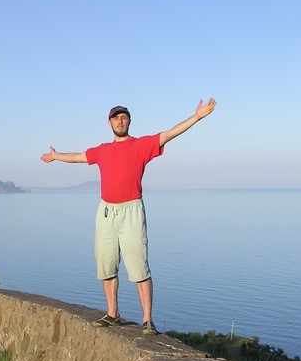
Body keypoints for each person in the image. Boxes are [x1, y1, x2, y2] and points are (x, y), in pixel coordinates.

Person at [41, 99, 217, 335]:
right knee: (107, 265)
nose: (120, 121)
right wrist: (56, 156)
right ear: (110, 122)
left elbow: (170, 134)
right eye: (116, 118)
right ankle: (112, 314)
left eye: (124, 117)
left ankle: (147, 320)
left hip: (132, 210)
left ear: (129, 121)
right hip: (106, 212)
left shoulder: (141, 145)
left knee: (139, 267)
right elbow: (77, 157)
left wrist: (197, 117)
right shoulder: (102, 150)